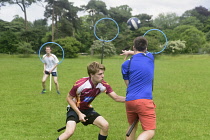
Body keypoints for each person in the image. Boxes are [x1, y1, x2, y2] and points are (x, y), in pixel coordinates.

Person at [56, 61, 125, 140]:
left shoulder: (103, 85)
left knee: (105, 125)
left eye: (103, 73)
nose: (103, 76)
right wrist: (79, 114)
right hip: (74, 109)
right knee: (69, 132)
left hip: (87, 109)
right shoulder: (80, 84)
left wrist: (134, 99)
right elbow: (69, 98)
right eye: (100, 74)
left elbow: (116, 98)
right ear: (91, 74)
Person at [121, 36, 156, 140]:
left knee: (132, 127)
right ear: (146, 48)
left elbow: (128, 84)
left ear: (133, 47)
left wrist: (129, 52)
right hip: (144, 100)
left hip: (130, 100)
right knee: (149, 130)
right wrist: (130, 52)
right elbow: (142, 52)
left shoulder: (126, 64)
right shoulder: (150, 57)